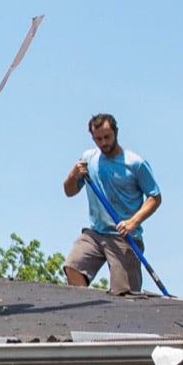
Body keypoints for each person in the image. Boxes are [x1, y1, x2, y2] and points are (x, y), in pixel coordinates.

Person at [63, 113, 162, 294]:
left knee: (124, 295)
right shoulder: (88, 159)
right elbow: (69, 191)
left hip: (124, 237)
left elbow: (155, 197)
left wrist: (133, 222)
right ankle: (88, 314)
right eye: (98, 139)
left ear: (116, 133)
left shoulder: (135, 163)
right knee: (73, 267)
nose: (103, 143)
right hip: (96, 233)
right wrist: (73, 174)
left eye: (107, 137)